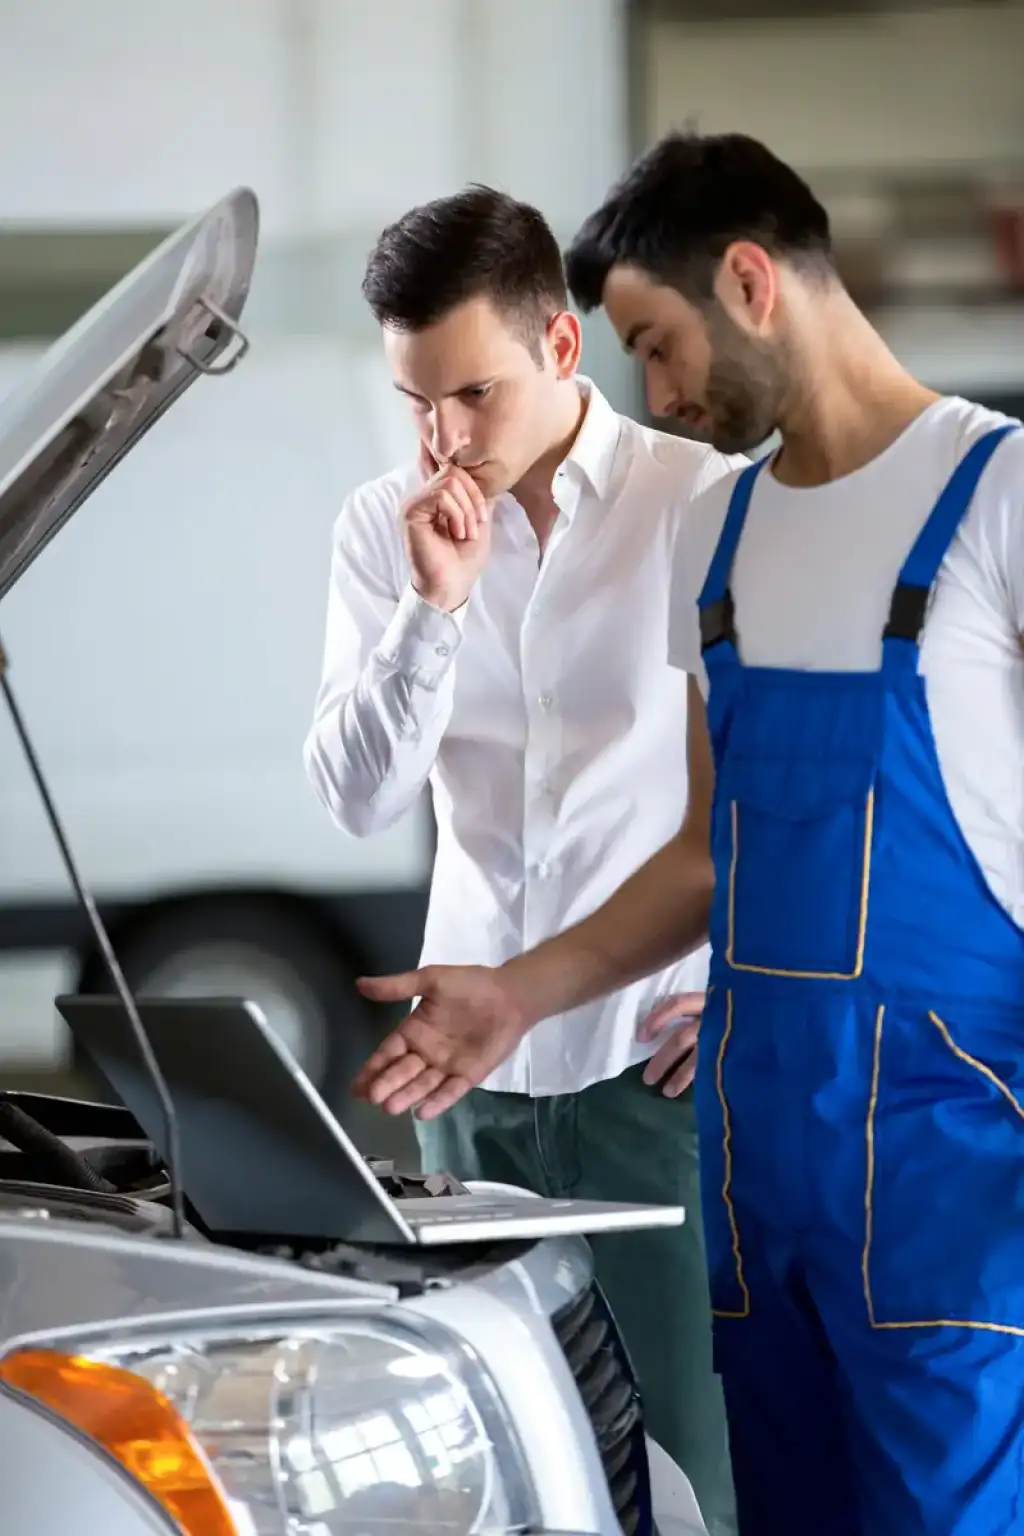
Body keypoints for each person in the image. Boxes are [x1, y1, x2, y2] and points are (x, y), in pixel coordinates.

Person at [351, 134, 1024, 1536]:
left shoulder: (996, 495)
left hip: (956, 1176)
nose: (652, 394)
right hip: (755, 1169)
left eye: (656, 346)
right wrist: (511, 996)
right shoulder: (735, 541)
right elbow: (713, 854)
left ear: (749, 280)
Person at [303, 184, 742, 1532]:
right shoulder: (388, 528)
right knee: (496, 1475)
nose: (441, 438)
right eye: (415, 400)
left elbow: (771, 800)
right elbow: (356, 803)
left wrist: (741, 981)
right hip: (470, 1086)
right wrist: (430, 615)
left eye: (471, 395)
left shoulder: (707, 507)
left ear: (561, 350)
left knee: (690, 1475)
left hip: (653, 1077)